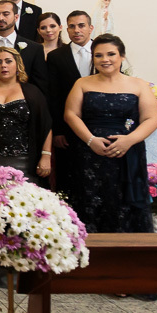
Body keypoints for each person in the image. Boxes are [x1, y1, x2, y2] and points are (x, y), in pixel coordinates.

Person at [64, 34, 157, 234]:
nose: (105, 59)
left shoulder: (139, 85)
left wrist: (129, 140)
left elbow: (152, 118)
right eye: (98, 55)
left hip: (127, 155)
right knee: (89, 200)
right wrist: (90, 140)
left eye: (111, 54)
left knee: (124, 203)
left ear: (122, 56)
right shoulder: (82, 83)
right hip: (89, 154)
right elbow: (71, 115)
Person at [0, 46, 52, 185]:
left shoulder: (33, 93)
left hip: (24, 160)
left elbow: (46, 126)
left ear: (18, 65)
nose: (3, 65)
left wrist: (46, 155)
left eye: (8, 61)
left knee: (22, 198)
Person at [48, 11, 95, 195]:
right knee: (69, 177)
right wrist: (57, 131)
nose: (77, 30)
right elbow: (53, 96)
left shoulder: (103, 53)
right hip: (67, 129)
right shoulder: (56, 56)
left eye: (81, 25)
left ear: (91, 28)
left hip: (98, 124)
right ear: (66, 30)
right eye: (72, 26)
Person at [0, 0, 48, 101]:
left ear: (16, 17)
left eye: (6, 14)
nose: (1, 18)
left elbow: (41, 87)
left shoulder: (34, 49)